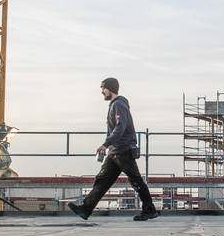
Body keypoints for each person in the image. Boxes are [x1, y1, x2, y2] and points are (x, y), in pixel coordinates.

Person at [68, 77, 159, 221]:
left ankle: (149, 210)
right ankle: (85, 209)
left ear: (110, 88)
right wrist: (109, 146)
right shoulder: (115, 105)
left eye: (103, 88)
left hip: (123, 150)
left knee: (136, 180)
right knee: (102, 180)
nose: (102, 92)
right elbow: (115, 129)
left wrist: (106, 143)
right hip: (115, 151)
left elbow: (120, 127)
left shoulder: (119, 104)